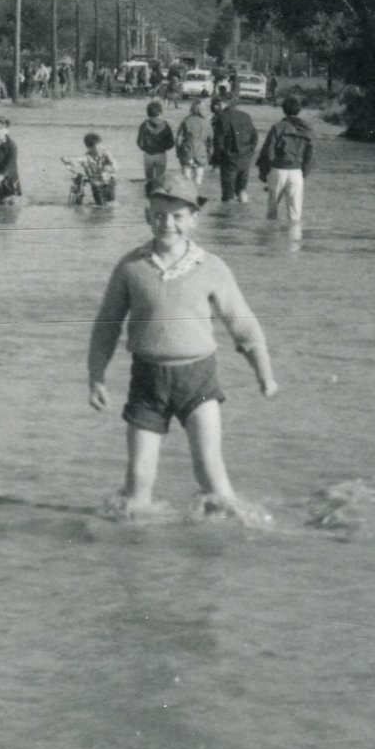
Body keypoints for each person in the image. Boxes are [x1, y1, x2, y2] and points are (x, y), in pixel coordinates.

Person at [87, 170, 277, 514]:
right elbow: (106, 327)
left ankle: (228, 548)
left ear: (193, 220)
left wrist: (264, 374)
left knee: (211, 474)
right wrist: (96, 376)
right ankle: (137, 559)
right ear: (148, 216)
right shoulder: (131, 267)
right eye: (159, 215)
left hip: (198, 382)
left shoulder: (211, 267)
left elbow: (243, 325)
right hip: (146, 383)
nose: (167, 224)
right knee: (138, 483)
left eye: (177, 216)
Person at [256, 93, 315, 221]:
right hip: (297, 172)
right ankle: (294, 239)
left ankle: (270, 238)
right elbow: (310, 155)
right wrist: (304, 173)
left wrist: (264, 173)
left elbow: (267, 152)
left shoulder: (278, 127)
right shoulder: (307, 129)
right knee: (295, 214)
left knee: (271, 211)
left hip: (278, 170)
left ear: (283, 109)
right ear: (299, 110)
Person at [211, 86, 261, 204]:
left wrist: (219, 158)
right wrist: (250, 150)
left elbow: (218, 141)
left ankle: (228, 220)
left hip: (229, 159)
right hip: (246, 158)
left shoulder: (222, 117)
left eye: (218, 103)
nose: (216, 106)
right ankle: (243, 217)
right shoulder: (245, 115)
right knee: (242, 190)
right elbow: (255, 136)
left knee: (228, 195)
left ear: (224, 103)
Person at [63, 132, 119, 206]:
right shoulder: (86, 158)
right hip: (96, 185)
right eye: (96, 148)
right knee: (100, 206)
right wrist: (67, 160)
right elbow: (77, 160)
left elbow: (115, 165)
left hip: (109, 182)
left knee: (112, 203)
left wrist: (109, 168)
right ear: (89, 148)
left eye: (100, 147)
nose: (100, 150)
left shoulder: (106, 154)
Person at [135, 101, 177, 185]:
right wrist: (164, 147)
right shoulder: (165, 125)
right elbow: (171, 143)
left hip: (148, 155)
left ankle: (149, 193)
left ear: (148, 113)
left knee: (149, 179)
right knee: (160, 179)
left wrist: (145, 148)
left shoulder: (144, 125)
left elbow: (139, 142)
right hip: (161, 154)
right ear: (160, 112)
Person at [176, 97, 213, 188]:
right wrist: (209, 154)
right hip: (201, 152)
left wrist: (178, 152)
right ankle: (196, 198)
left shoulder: (186, 121)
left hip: (187, 151)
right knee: (198, 180)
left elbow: (178, 139)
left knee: (186, 180)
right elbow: (210, 141)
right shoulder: (207, 123)